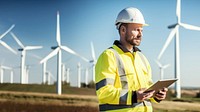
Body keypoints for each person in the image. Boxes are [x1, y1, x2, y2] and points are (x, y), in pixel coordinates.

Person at [95, 7, 168, 112]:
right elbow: (103, 92)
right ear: (123, 30)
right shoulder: (109, 56)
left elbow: (146, 91)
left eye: (141, 30)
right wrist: (134, 96)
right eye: (136, 30)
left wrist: (156, 95)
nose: (140, 34)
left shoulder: (142, 58)